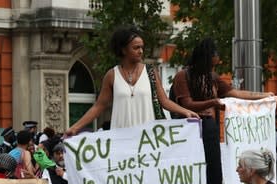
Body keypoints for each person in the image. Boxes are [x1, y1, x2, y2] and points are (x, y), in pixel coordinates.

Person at [170, 37, 273, 184]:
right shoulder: (184, 76)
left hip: (208, 132)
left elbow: (234, 93)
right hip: (189, 133)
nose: (218, 61)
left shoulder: (212, 77)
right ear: (208, 56)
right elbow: (186, 104)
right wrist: (213, 102)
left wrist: (262, 96)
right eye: (215, 57)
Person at [65, 25, 198, 136]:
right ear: (123, 50)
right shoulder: (112, 75)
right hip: (122, 136)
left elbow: (164, 101)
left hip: (149, 136)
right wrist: (75, 128)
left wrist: (185, 111)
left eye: (142, 47)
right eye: (136, 48)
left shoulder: (151, 72)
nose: (140, 51)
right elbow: (99, 106)